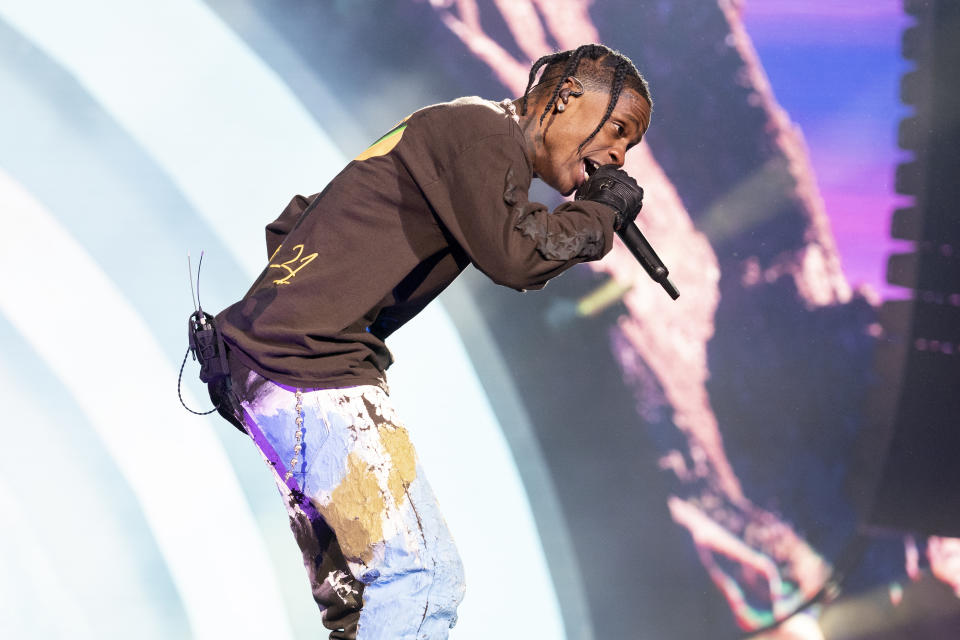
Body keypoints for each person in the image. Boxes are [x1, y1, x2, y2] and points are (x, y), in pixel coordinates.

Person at [209, 43, 652, 640]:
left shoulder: (460, 127)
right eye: (619, 129)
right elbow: (517, 256)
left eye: (629, 144)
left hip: (271, 370)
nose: (620, 154)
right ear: (568, 96)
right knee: (420, 577)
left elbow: (294, 222)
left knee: (361, 606)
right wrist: (600, 216)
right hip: (309, 368)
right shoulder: (481, 134)